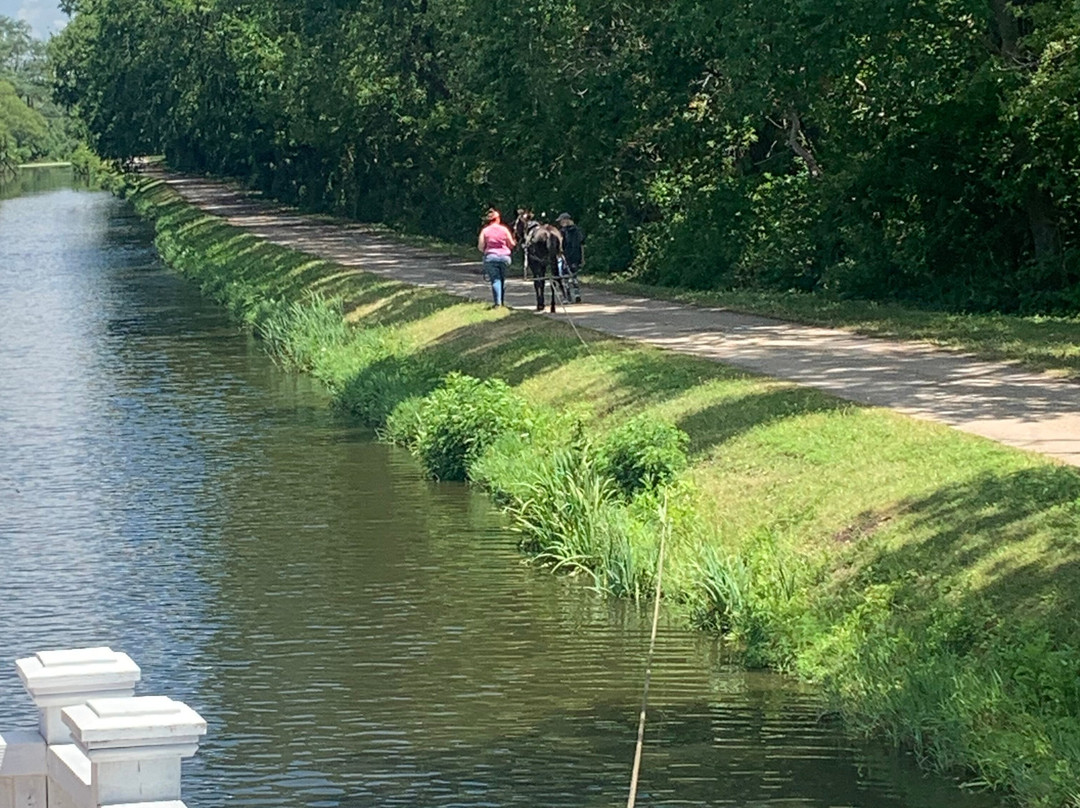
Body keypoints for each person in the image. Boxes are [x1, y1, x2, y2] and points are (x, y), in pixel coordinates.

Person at [477, 208, 516, 307]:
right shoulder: (504, 229)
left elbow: (480, 247)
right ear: (498, 219)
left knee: (495, 280)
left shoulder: (485, 231)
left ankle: (498, 303)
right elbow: (511, 244)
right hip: (505, 258)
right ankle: (501, 301)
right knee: (502, 279)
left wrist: (487, 250)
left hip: (491, 257)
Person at [556, 212, 584, 303]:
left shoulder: (563, 232)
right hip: (576, 256)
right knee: (574, 276)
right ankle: (577, 294)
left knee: (565, 277)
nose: (560, 223)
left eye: (561, 221)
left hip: (566, 256)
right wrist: (582, 258)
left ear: (565, 220)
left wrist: (560, 254)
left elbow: (561, 245)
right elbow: (582, 244)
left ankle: (567, 297)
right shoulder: (577, 230)